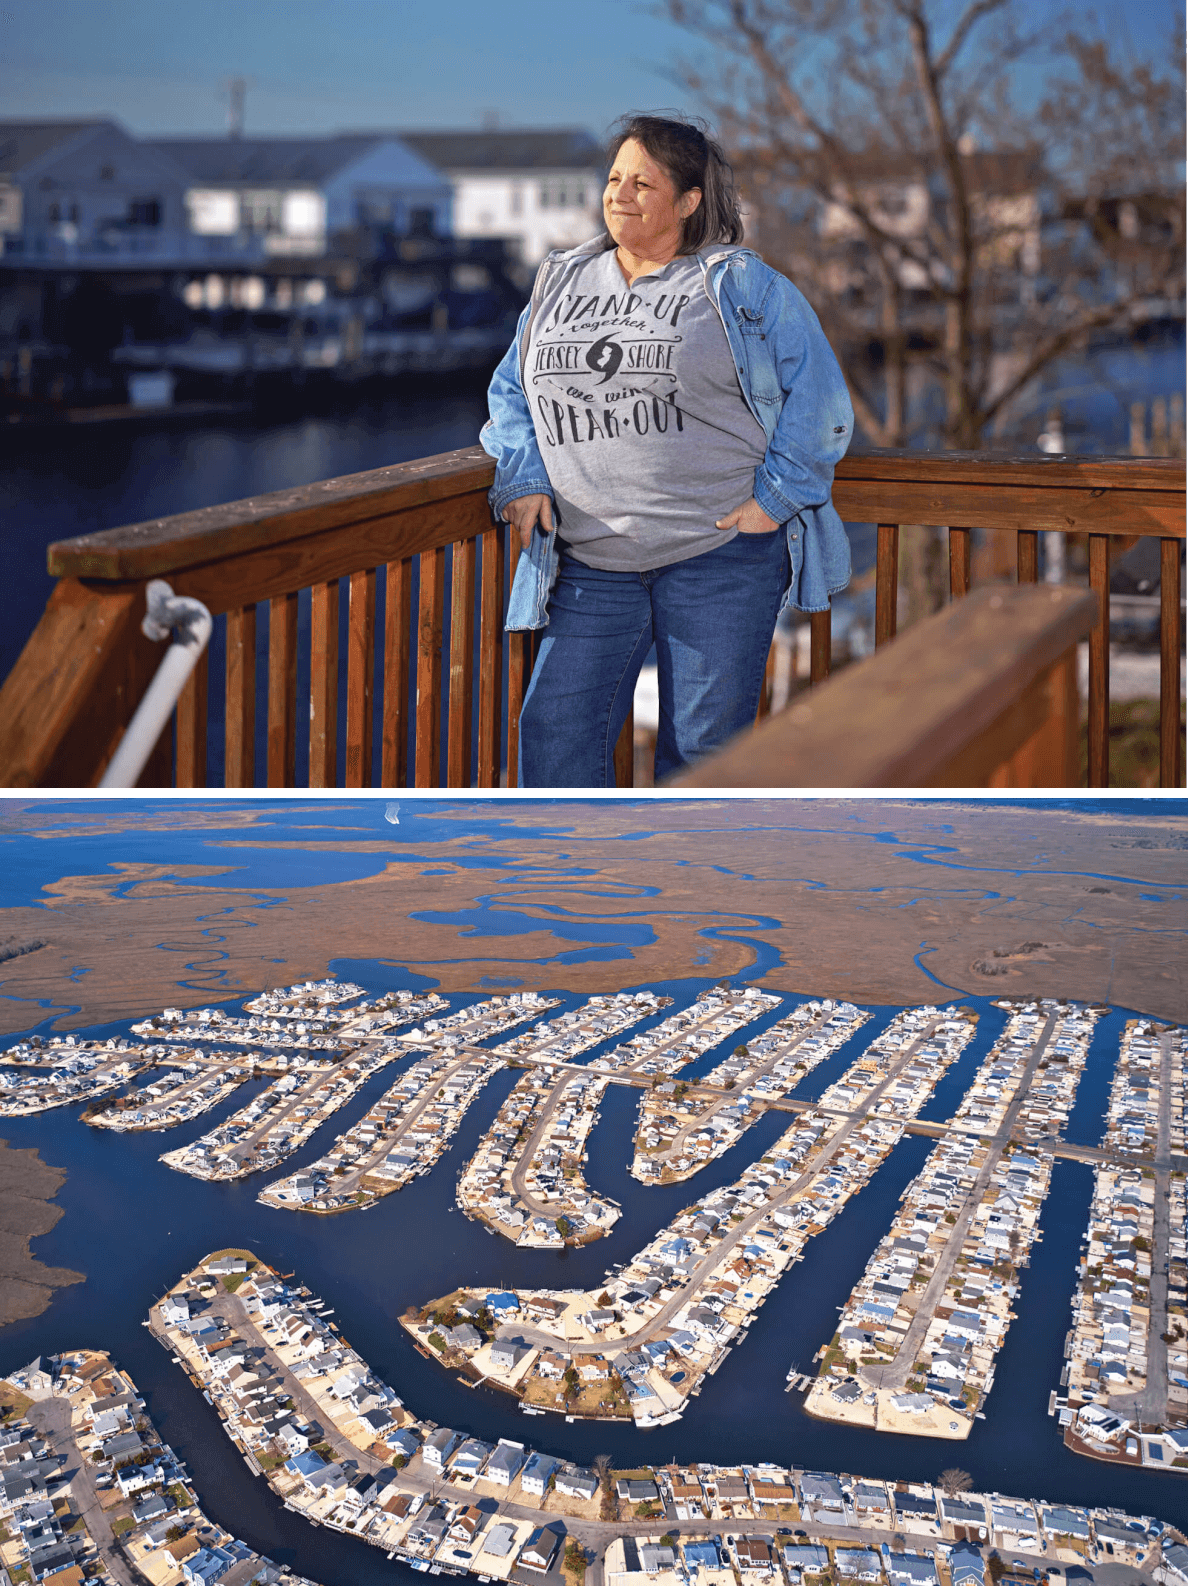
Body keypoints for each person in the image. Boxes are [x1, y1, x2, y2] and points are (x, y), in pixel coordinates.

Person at [481, 112, 854, 787]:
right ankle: (577, 885)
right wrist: (525, 475)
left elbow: (821, 401)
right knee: (554, 734)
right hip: (591, 562)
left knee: (704, 757)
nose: (620, 193)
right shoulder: (560, 282)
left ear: (686, 203)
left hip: (717, 561)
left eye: (643, 183)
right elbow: (510, 393)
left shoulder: (738, 286)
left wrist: (775, 500)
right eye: (615, 178)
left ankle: (689, 891)